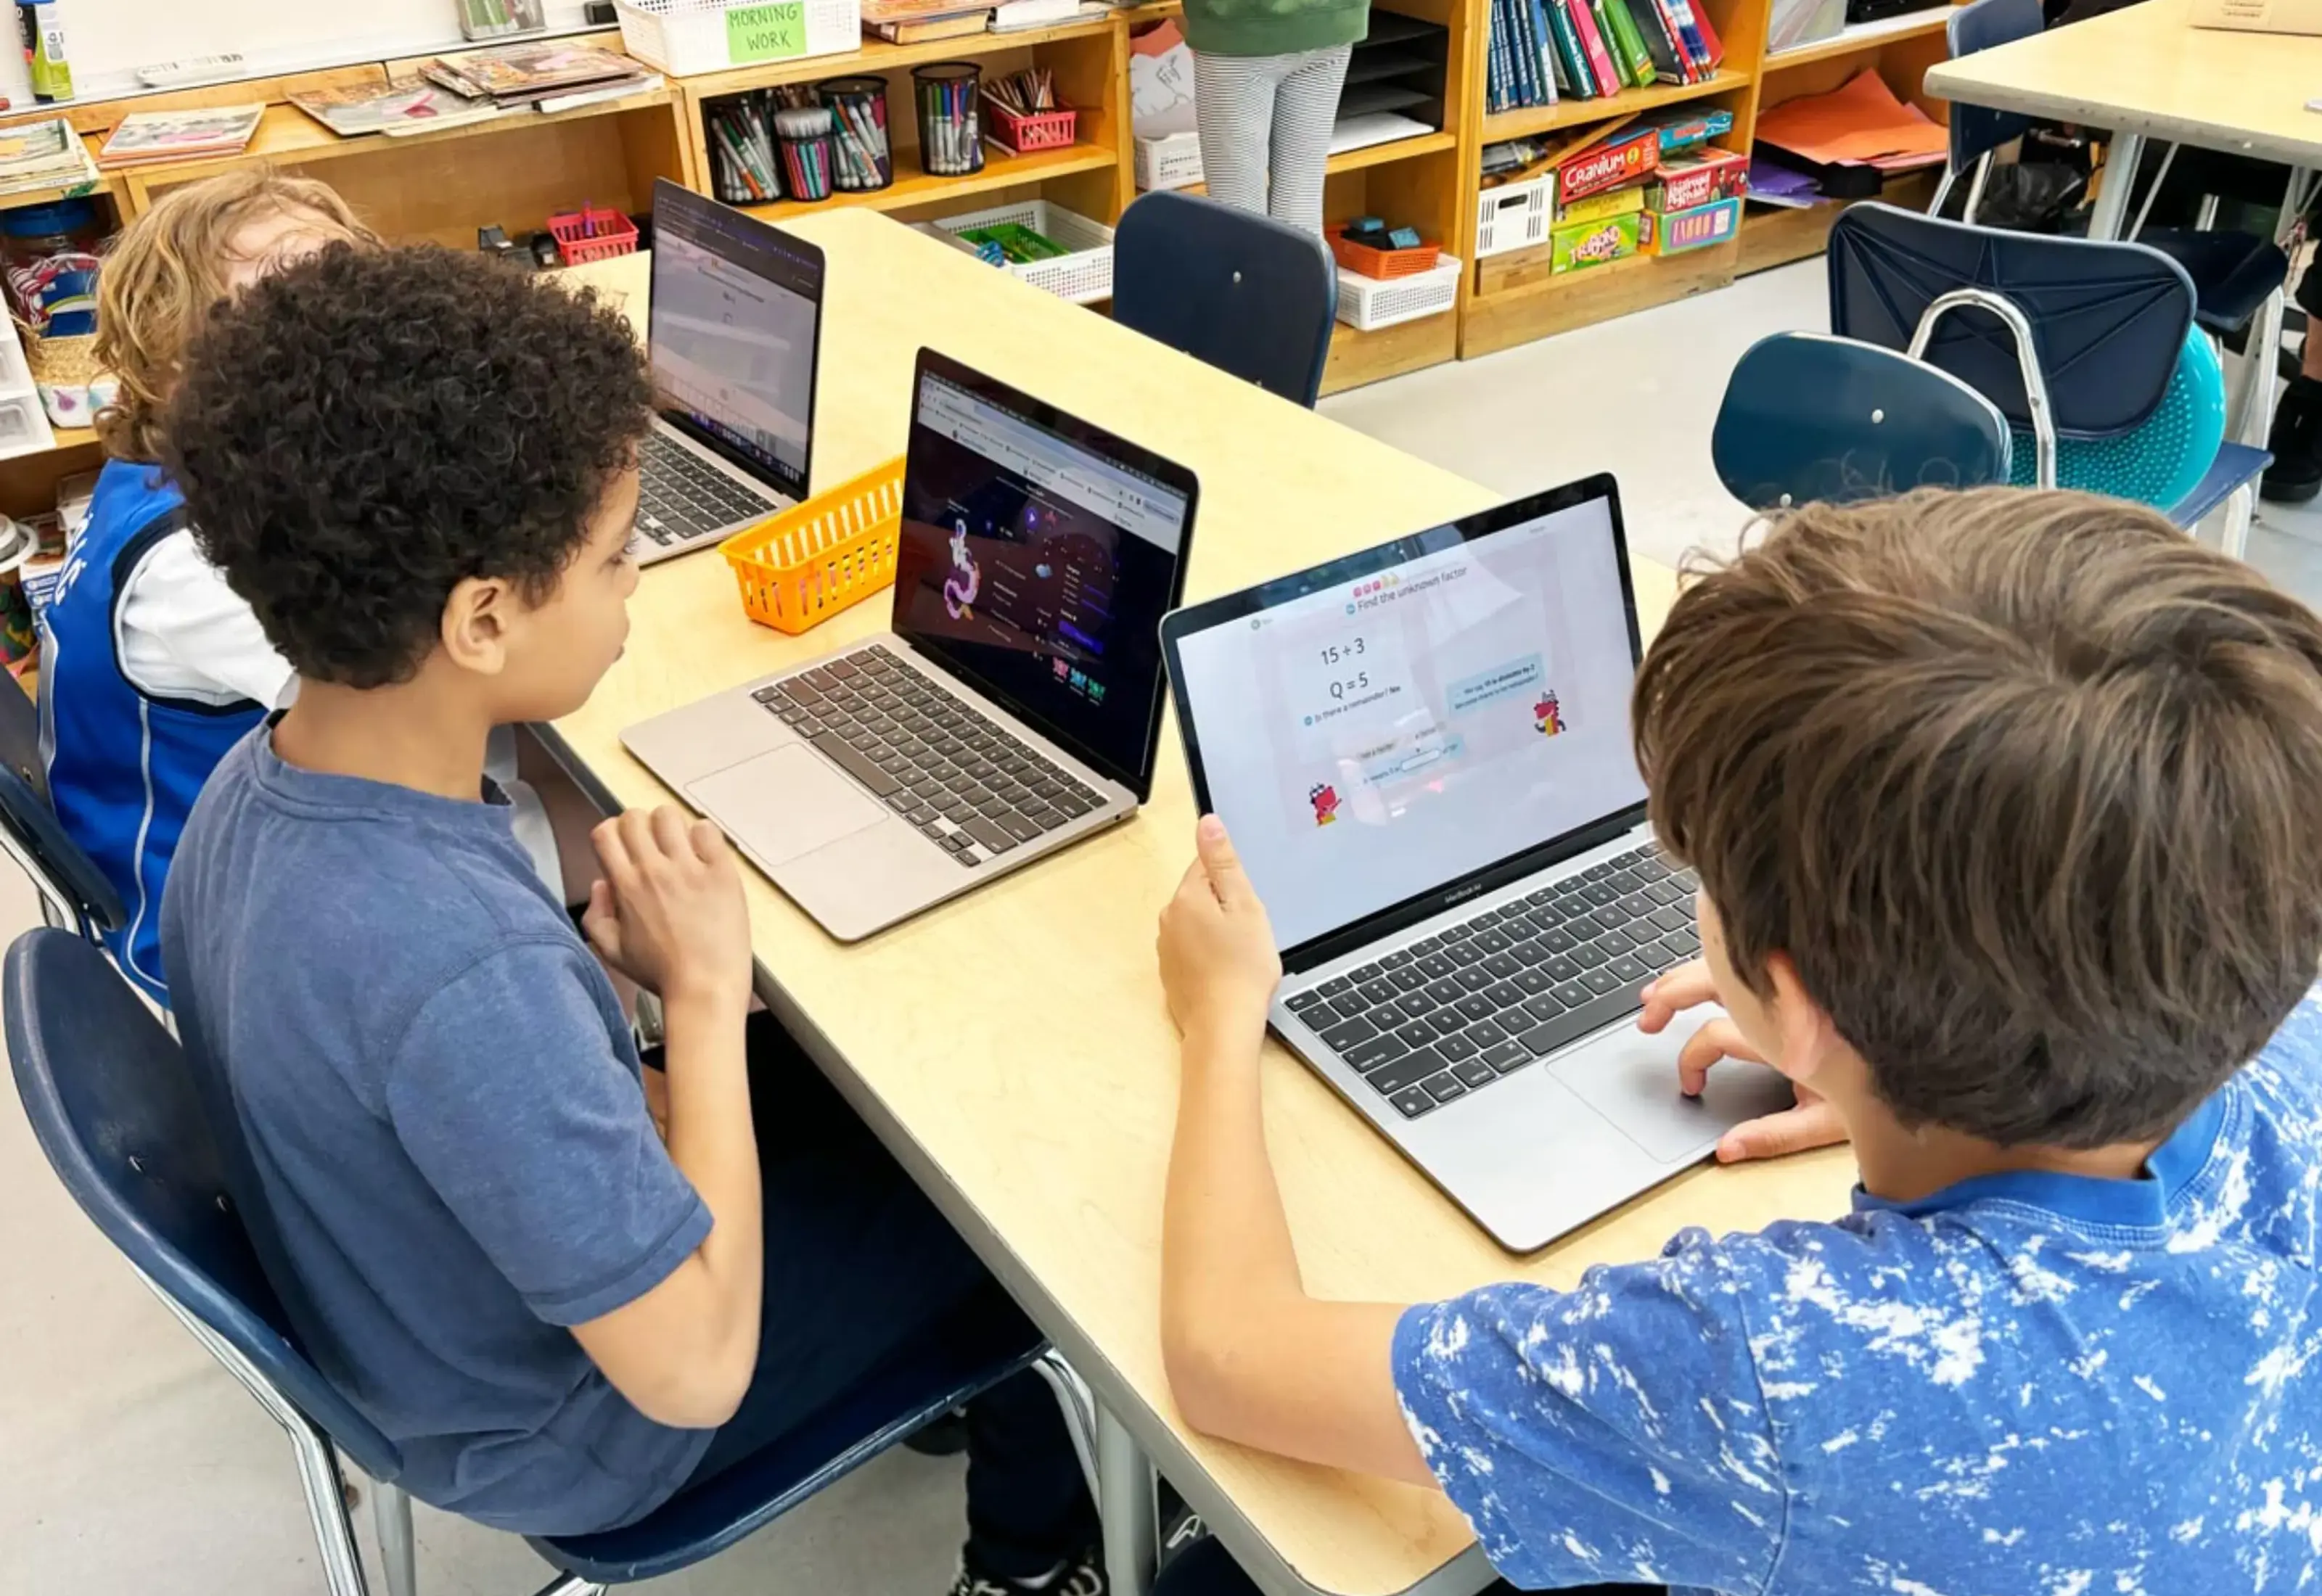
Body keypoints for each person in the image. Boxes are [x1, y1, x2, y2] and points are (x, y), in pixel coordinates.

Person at [1149, 487, 2322, 1595]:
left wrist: (1221, 1018)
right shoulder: (2278, 1032)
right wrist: (1896, 1079)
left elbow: (1227, 1354)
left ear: (1793, 998)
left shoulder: (1778, 1369)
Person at [155, 244, 1099, 1596]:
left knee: (868, 1094)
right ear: (482, 616)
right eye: (614, 558)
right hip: (586, 1428)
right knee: (1024, 1188)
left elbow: (477, 1093)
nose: (638, 581)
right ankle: (1031, 1559)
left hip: (434, 1320)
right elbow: (696, 1369)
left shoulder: (262, 789)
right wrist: (700, 999)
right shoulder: (457, 968)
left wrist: (628, 1033)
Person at [46, 170, 374, 1002]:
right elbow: (404, 701)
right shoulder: (192, 567)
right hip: (211, 948)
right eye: (285, 315)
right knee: (582, 812)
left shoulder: (167, 470)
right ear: (176, 354)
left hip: (260, 859)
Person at [1180, 0, 1368, 234]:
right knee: (1300, 201)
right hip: (1330, 19)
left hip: (1237, 26)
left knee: (1239, 211)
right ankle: (1299, 271)